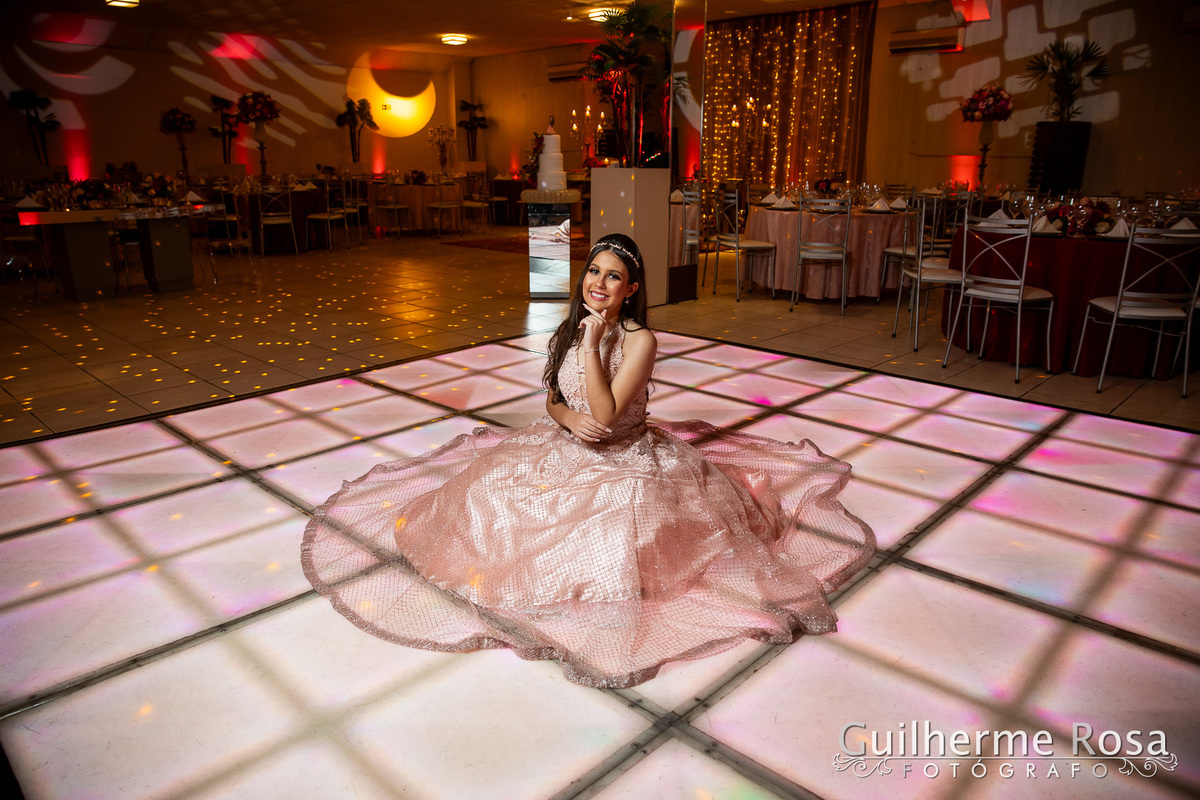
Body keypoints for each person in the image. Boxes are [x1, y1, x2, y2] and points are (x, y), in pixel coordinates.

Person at [302, 234, 874, 689]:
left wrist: (597, 341)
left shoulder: (638, 339)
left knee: (615, 524)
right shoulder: (572, 325)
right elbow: (558, 396)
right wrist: (561, 417)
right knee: (487, 496)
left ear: (632, 288)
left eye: (613, 276)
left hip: (625, 456)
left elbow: (603, 411)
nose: (599, 283)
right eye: (593, 272)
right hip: (566, 443)